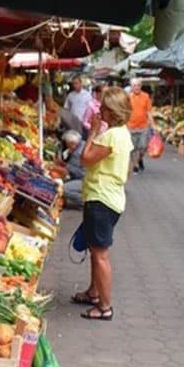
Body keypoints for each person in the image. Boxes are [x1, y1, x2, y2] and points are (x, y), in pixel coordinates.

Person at [71, 87, 133, 321]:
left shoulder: (109, 136)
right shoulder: (123, 133)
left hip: (101, 198)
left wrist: (93, 132)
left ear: (113, 111)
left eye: (104, 108)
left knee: (100, 254)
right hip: (111, 196)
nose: (100, 111)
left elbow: (85, 159)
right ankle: (93, 292)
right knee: (95, 248)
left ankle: (105, 307)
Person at [127, 78, 153, 173]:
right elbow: (125, 112)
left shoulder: (146, 96)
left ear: (141, 86)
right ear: (131, 87)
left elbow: (149, 112)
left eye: (138, 85)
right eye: (134, 85)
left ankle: (139, 159)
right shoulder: (128, 97)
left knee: (143, 147)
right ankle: (135, 165)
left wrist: (153, 125)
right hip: (131, 126)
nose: (136, 87)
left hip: (143, 126)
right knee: (132, 148)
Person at [60, 130, 85, 209]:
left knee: (62, 189)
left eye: (67, 144)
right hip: (85, 176)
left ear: (72, 143)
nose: (67, 146)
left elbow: (76, 172)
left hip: (84, 179)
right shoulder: (83, 143)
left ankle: (85, 202)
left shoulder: (77, 154)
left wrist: (62, 165)